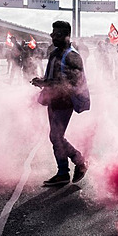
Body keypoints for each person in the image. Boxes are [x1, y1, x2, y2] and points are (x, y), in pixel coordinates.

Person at [31, 20, 89, 187]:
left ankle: (79, 162)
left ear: (66, 36)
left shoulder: (73, 56)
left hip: (65, 101)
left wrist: (46, 84)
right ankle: (63, 172)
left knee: (55, 136)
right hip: (53, 100)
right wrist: (42, 81)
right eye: (52, 33)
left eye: (57, 34)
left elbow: (72, 84)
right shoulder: (54, 53)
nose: (53, 37)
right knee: (55, 137)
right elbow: (54, 77)